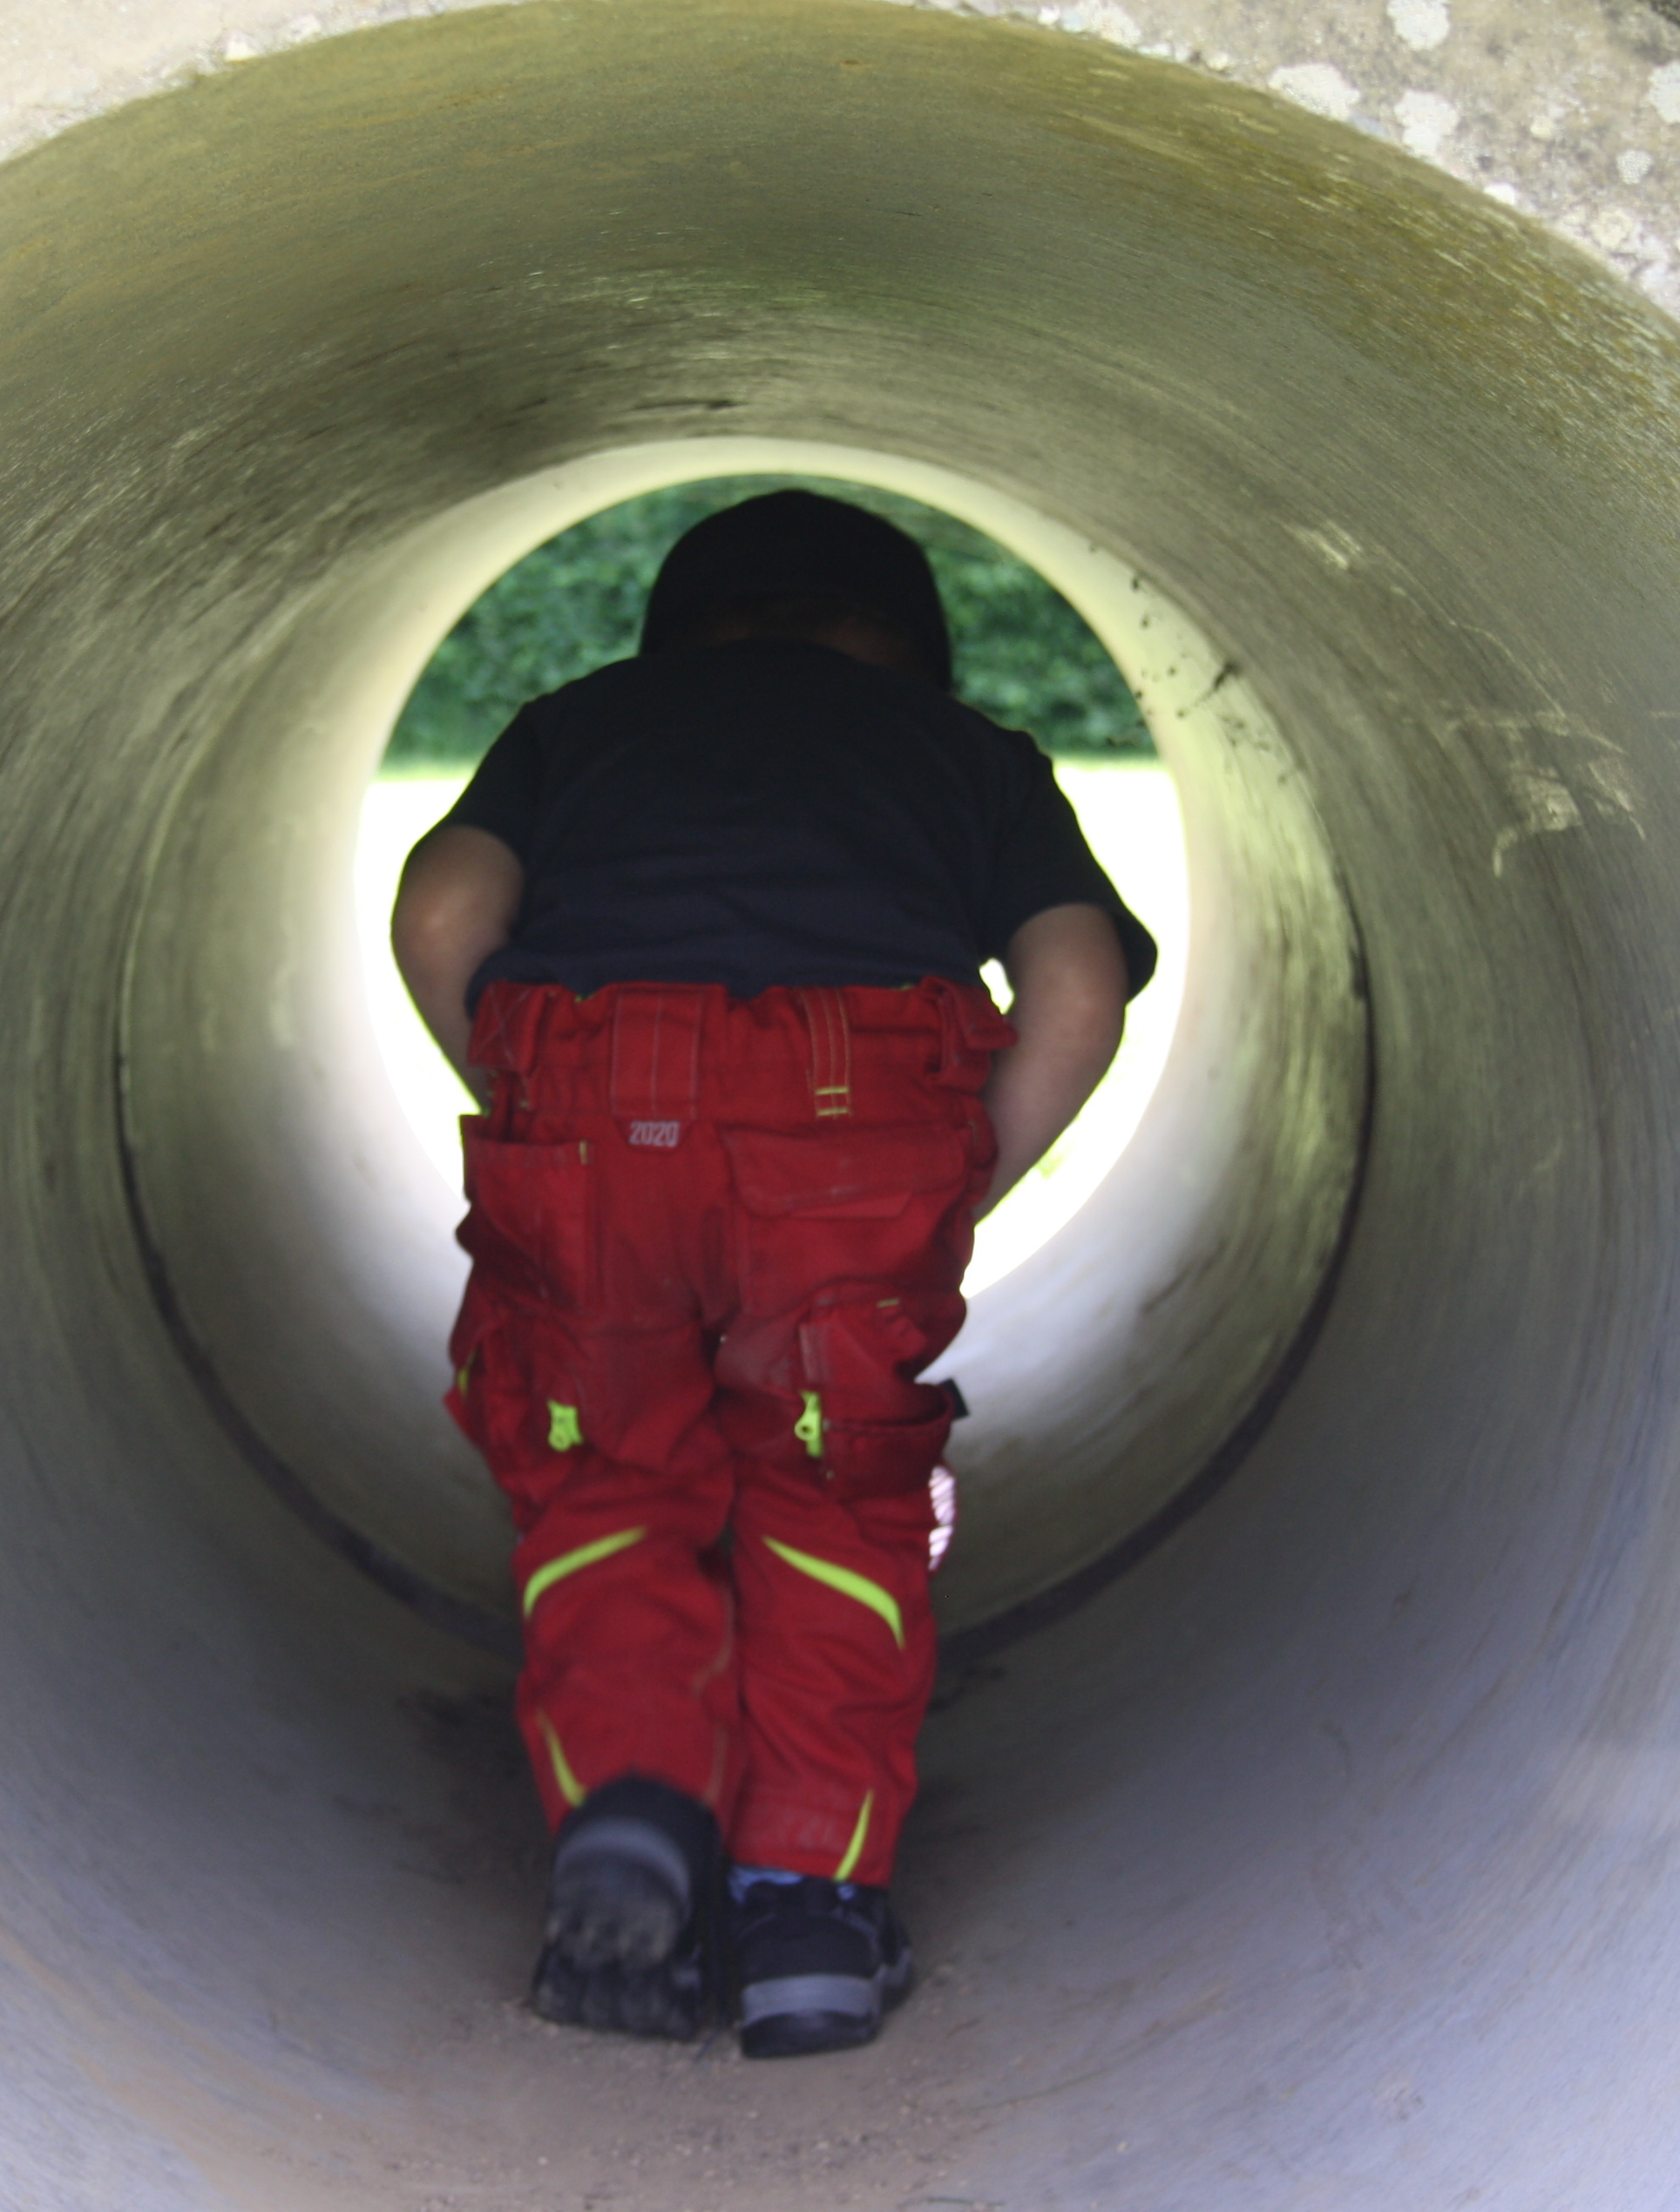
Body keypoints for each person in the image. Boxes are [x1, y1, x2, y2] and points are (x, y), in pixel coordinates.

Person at [390, 489, 1156, 2057]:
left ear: (673, 636)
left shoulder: (579, 722)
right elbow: (1076, 985)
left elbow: (443, 909)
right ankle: (809, 1909)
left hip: (594, 1120)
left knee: (604, 1475)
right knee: (834, 1499)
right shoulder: (967, 754)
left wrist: (534, 1118)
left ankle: (636, 1808)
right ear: (915, 651)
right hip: (854, 1131)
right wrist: (946, 1187)